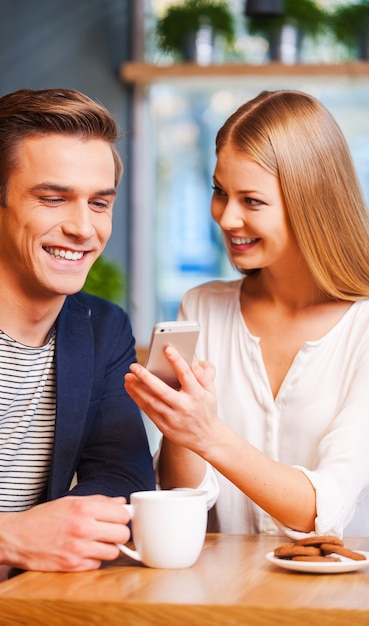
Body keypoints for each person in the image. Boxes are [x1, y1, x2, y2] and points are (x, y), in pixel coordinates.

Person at [125, 89, 369, 541]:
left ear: (310, 201)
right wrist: (179, 425)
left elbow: (323, 509)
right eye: (220, 192)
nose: (227, 217)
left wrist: (208, 432)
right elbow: (185, 496)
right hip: (225, 596)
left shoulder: (363, 328)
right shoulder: (201, 308)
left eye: (251, 201)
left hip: (342, 604)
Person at [0, 88, 155, 614]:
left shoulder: (104, 328)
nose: (83, 228)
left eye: (99, 202)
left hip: (32, 605)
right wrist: (3, 538)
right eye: (53, 197)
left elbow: (125, 476)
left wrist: (40, 543)